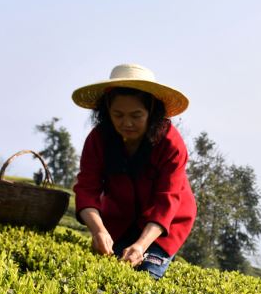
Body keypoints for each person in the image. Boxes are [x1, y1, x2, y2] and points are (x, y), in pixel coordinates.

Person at [71, 64, 197, 279]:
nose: (126, 123)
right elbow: (86, 190)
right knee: (109, 268)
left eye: (136, 115)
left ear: (151, 113)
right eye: (117, 115)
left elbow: (166, 201)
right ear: (106, 112)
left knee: (147, 273)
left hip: (166, 224)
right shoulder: (98, 139)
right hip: (120, 219)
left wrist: (141, 245)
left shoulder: (170, 144)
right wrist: (99, 230)